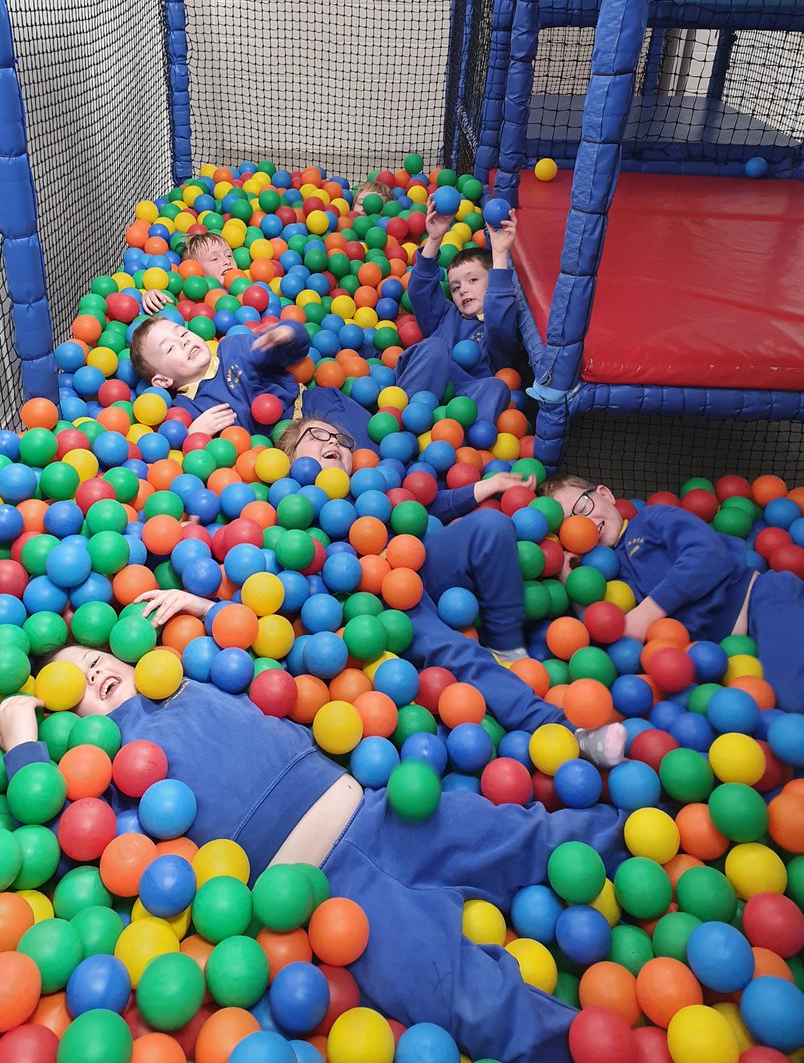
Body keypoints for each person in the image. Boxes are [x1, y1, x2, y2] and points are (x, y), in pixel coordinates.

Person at [0, 648, 626, 1063]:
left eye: (95, 658)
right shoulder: (105, 760)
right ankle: (573, 1047)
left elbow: (233, 642)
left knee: (517, 836)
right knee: (451, 988)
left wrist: (189, 601)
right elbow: (54, 813)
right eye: (74, 680)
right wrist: (22, 736)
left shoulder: (184, 681)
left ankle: (627, 831)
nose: (91, 672)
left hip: (382, 810)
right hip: (326, 897)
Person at [269, 417, 626, 763]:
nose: (333, 442)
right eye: (317, 435)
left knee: (491, 524)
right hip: (380, 604)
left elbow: (420, 510)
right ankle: (571, 733)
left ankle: (505, 645)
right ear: (287, 456)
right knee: (455, 649)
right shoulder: (286, 500)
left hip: (419, 566)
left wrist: (481, 489)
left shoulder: (367, 486)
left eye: (341, 440)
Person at [540, 473, 804, 713]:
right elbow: (604, 640)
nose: (583, 524)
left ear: (605, 495)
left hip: (761, 601)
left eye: (583, 508)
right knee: (763, 726)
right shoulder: (603, 577)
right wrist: (572, 584)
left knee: (792, 700)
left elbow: (709, 555)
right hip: (715, 661)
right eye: (569, 526)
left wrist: (647, 613)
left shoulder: (649, 520)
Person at [128, 318, 374, 449]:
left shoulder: (234, 348)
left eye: (182, 333)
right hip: (285, 445)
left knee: (371, 444)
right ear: (162, 381)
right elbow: (202, 458)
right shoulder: (187, 409)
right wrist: (196, 434)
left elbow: (294, 351)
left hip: (310, 405)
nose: (183, 342)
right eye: (170, 348)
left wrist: (287, 334)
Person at [394, 196, 519, 424]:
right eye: (455, 287)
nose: (463, 290)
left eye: (472, 280)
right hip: (423, 384)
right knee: (435, 347)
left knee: (497, 386)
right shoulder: (445, 315)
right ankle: (401, 420)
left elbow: (500, 317)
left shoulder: (495, 329)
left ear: (492, 282)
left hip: (463, 395)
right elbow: (420, 292)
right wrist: (434, 238)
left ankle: (461, 443)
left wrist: (500, 254)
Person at [141, 231, 235, 314]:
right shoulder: (187, 296)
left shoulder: (246, 285)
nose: (227, 261)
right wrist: (150, 296)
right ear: (195, 269)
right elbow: (167, 304)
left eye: (229, 255)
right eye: (215, 259)